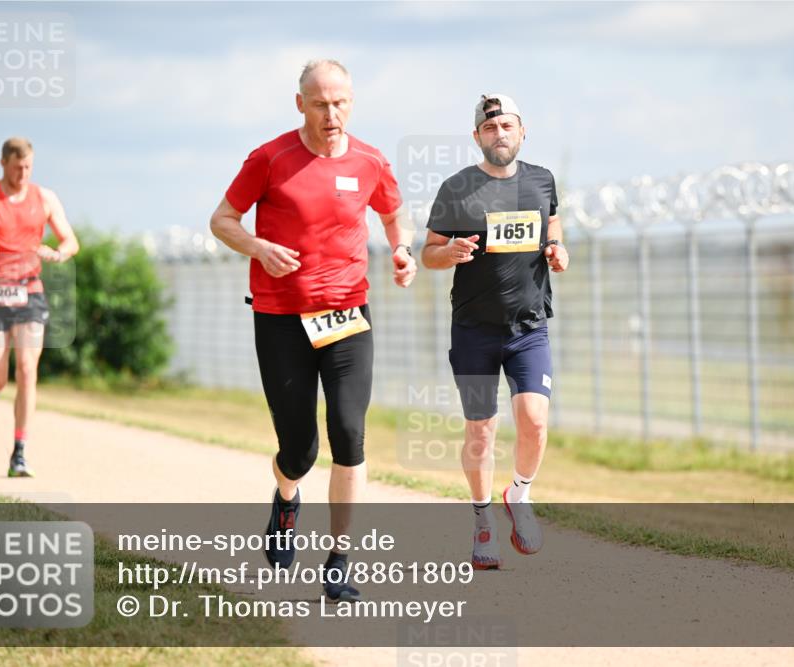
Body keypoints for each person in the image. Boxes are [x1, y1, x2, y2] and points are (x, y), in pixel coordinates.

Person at [210, 60, 416, 602]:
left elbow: (395, 215)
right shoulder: (270, 158)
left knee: (349, 433)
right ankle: (286, 499)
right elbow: (222, 220)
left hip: (348, 315)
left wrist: (400, 249)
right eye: (321, 103)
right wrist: (258, 247)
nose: (332, 113)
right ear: (299, 103)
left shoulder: (370, 160)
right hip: (280, 318)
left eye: (341, 102)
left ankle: (340, 560)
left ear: (353, 102)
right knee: (299, 449)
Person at [421, 94, 569, 570]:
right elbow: (429, 253)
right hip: (474, 330)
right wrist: (452, 253)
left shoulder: (542, 180)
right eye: (490, 128)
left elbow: (554, 227)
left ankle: (519, 495)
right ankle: (483, 520)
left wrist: (559, 251)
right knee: (481, 432)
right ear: (477, 137)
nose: (499, 133)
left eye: (507, 125)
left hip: (528, 327)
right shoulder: (456, 188)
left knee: (535, 421)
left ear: (522, 131)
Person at [0, 137, 79, 476]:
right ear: (3, 163)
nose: (23, 173)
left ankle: (19, 451)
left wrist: (58, 253)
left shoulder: (45, 197)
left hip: (29, 292)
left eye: (28, 167)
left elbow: (70, 240)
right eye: (17, 167)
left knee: (26, 368)